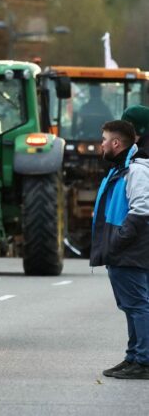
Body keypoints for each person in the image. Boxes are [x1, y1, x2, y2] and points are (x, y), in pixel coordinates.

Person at [91, 120, 149, 380]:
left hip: (129, 251)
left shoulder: (136, 171)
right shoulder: (121, 169)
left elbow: (142, 209)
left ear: (116, 143)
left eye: (104, 139)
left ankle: (144, 361)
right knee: (131, 306)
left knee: (138, 306)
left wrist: (118, 241)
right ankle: (134, 356)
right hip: (123, 250)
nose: (101, 144)